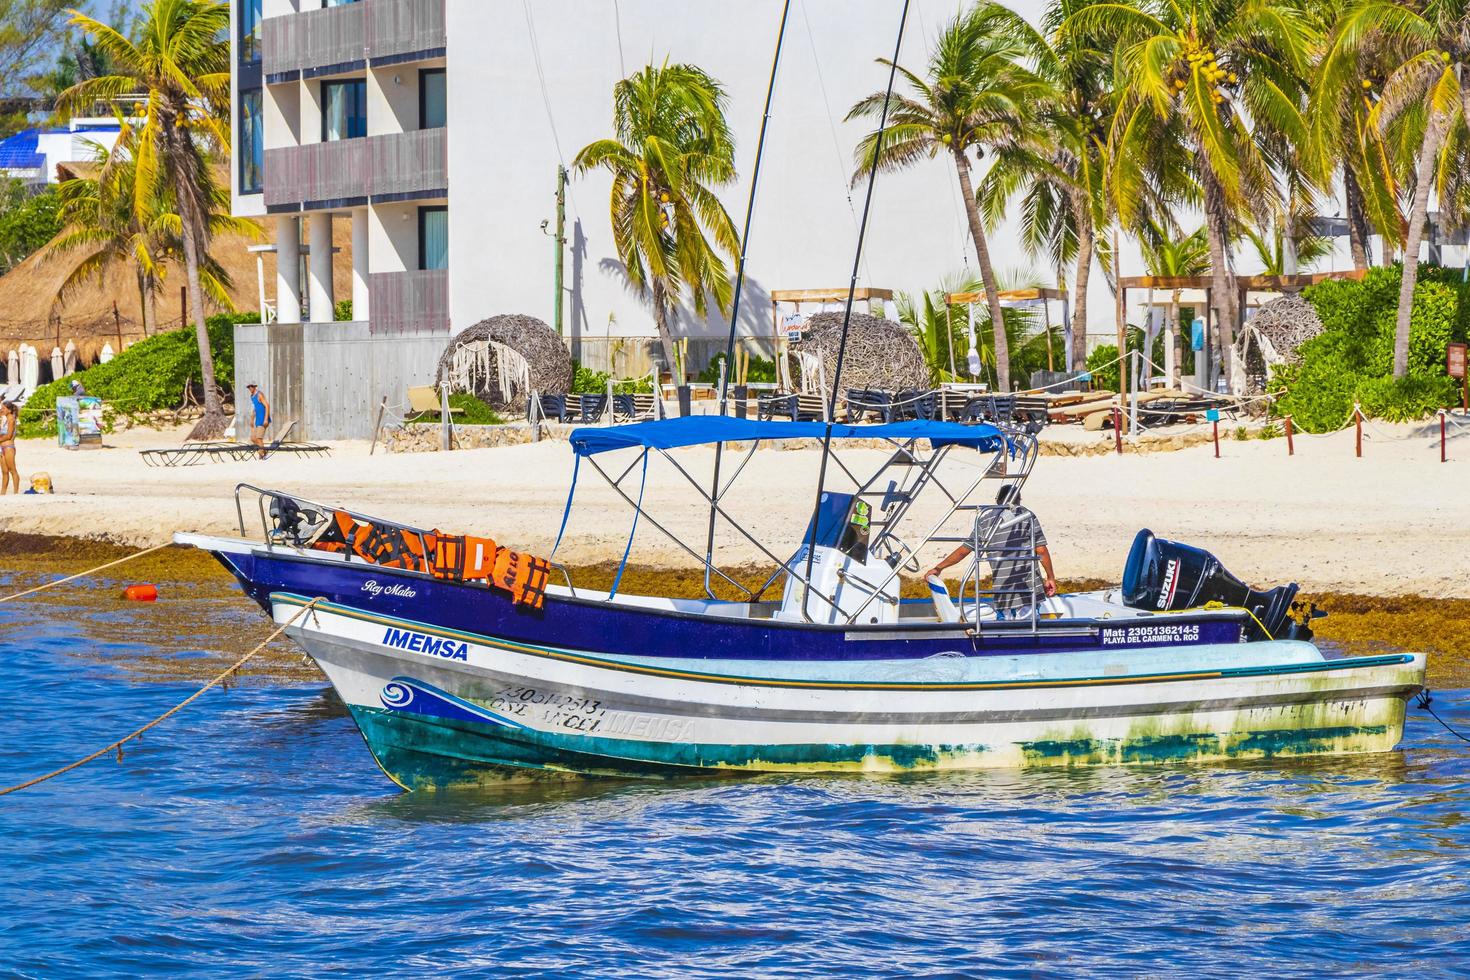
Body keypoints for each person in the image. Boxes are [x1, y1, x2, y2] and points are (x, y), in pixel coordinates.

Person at [922, 484, 1056, 616]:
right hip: (1028, 588)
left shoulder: (985, 520)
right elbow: (1041, 550)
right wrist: (1050, 577)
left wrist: (939, 568)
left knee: (1008, 626)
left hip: (1003, 590)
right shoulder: (1026, 516)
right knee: (1028, 626)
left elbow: (964, 550)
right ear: (1018, 500)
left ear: (997, 500)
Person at [246, 383, 271, 459]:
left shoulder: (259, 394)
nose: (250, 388)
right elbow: (255, 409)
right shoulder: (252, 397)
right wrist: (252, 420)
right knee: (253, 438)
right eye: (248, 387)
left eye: (251, 386)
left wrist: (266, 419)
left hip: (263, 419)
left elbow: (267, 405)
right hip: (258, 420)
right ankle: (264, 451)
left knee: (259, 438)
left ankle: (262, 454)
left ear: (254, 387)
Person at [0, 401, 18, 494]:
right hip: (1, 447)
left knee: (12, 470)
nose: (1, 410)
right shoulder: (4, 420)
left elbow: (8, 436)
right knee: (4, 471)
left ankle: (16, 492)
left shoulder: (11, 419)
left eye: (3, 408)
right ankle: (2, 493)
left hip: (9, 447)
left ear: (9, 410)